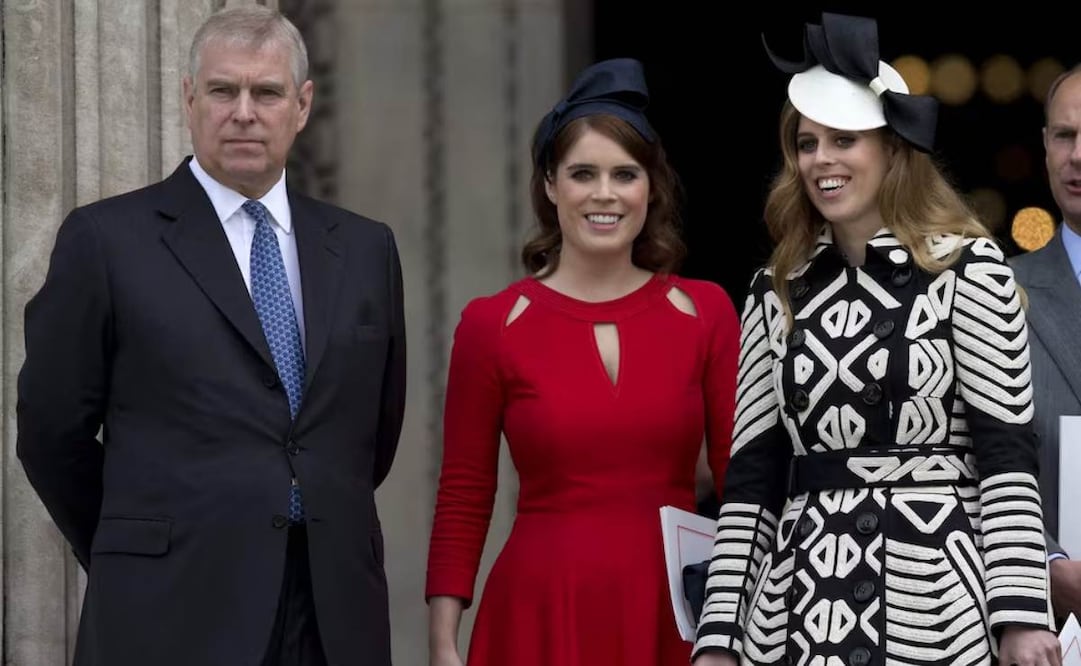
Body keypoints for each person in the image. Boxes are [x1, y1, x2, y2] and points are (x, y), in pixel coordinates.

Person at [16, 7, 405, 666]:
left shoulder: (367, 249)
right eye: (224, 90)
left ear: (302, 106)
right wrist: (139, 547)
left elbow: (372, 437)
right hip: (169, 611)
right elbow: (51, 435)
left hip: (332, 615)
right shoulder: (107, 241)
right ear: (189, 99)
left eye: (267, 92)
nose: (244, 113)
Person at [692, 13, 1060, 666]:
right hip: (799, 612)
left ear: (892, 149)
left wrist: (1021, 615)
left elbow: (1006, 456)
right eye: (806, 143)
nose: (821, 159)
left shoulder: (969, 269)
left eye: (844, 139)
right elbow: (751, 481)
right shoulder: (774, 288)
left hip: (937, 608)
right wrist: (719, 637)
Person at [424, 58, 739, 666]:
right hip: (537, 613)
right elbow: (465, 491)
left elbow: (740, 486)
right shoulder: (492, 325)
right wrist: (443, 642)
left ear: (651, 187)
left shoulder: (706, 312)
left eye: (625, 174)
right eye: (582, 173)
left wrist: (740, 624)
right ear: (550, 185)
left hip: (671, 613)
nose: (604, 194)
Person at [1010, 63, 1081, 624]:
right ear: (1044, 144)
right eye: (1064, 135)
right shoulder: (999, 291)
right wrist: (1047, 564)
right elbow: (970, 461)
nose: (1077, 155)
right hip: (1051, 630)